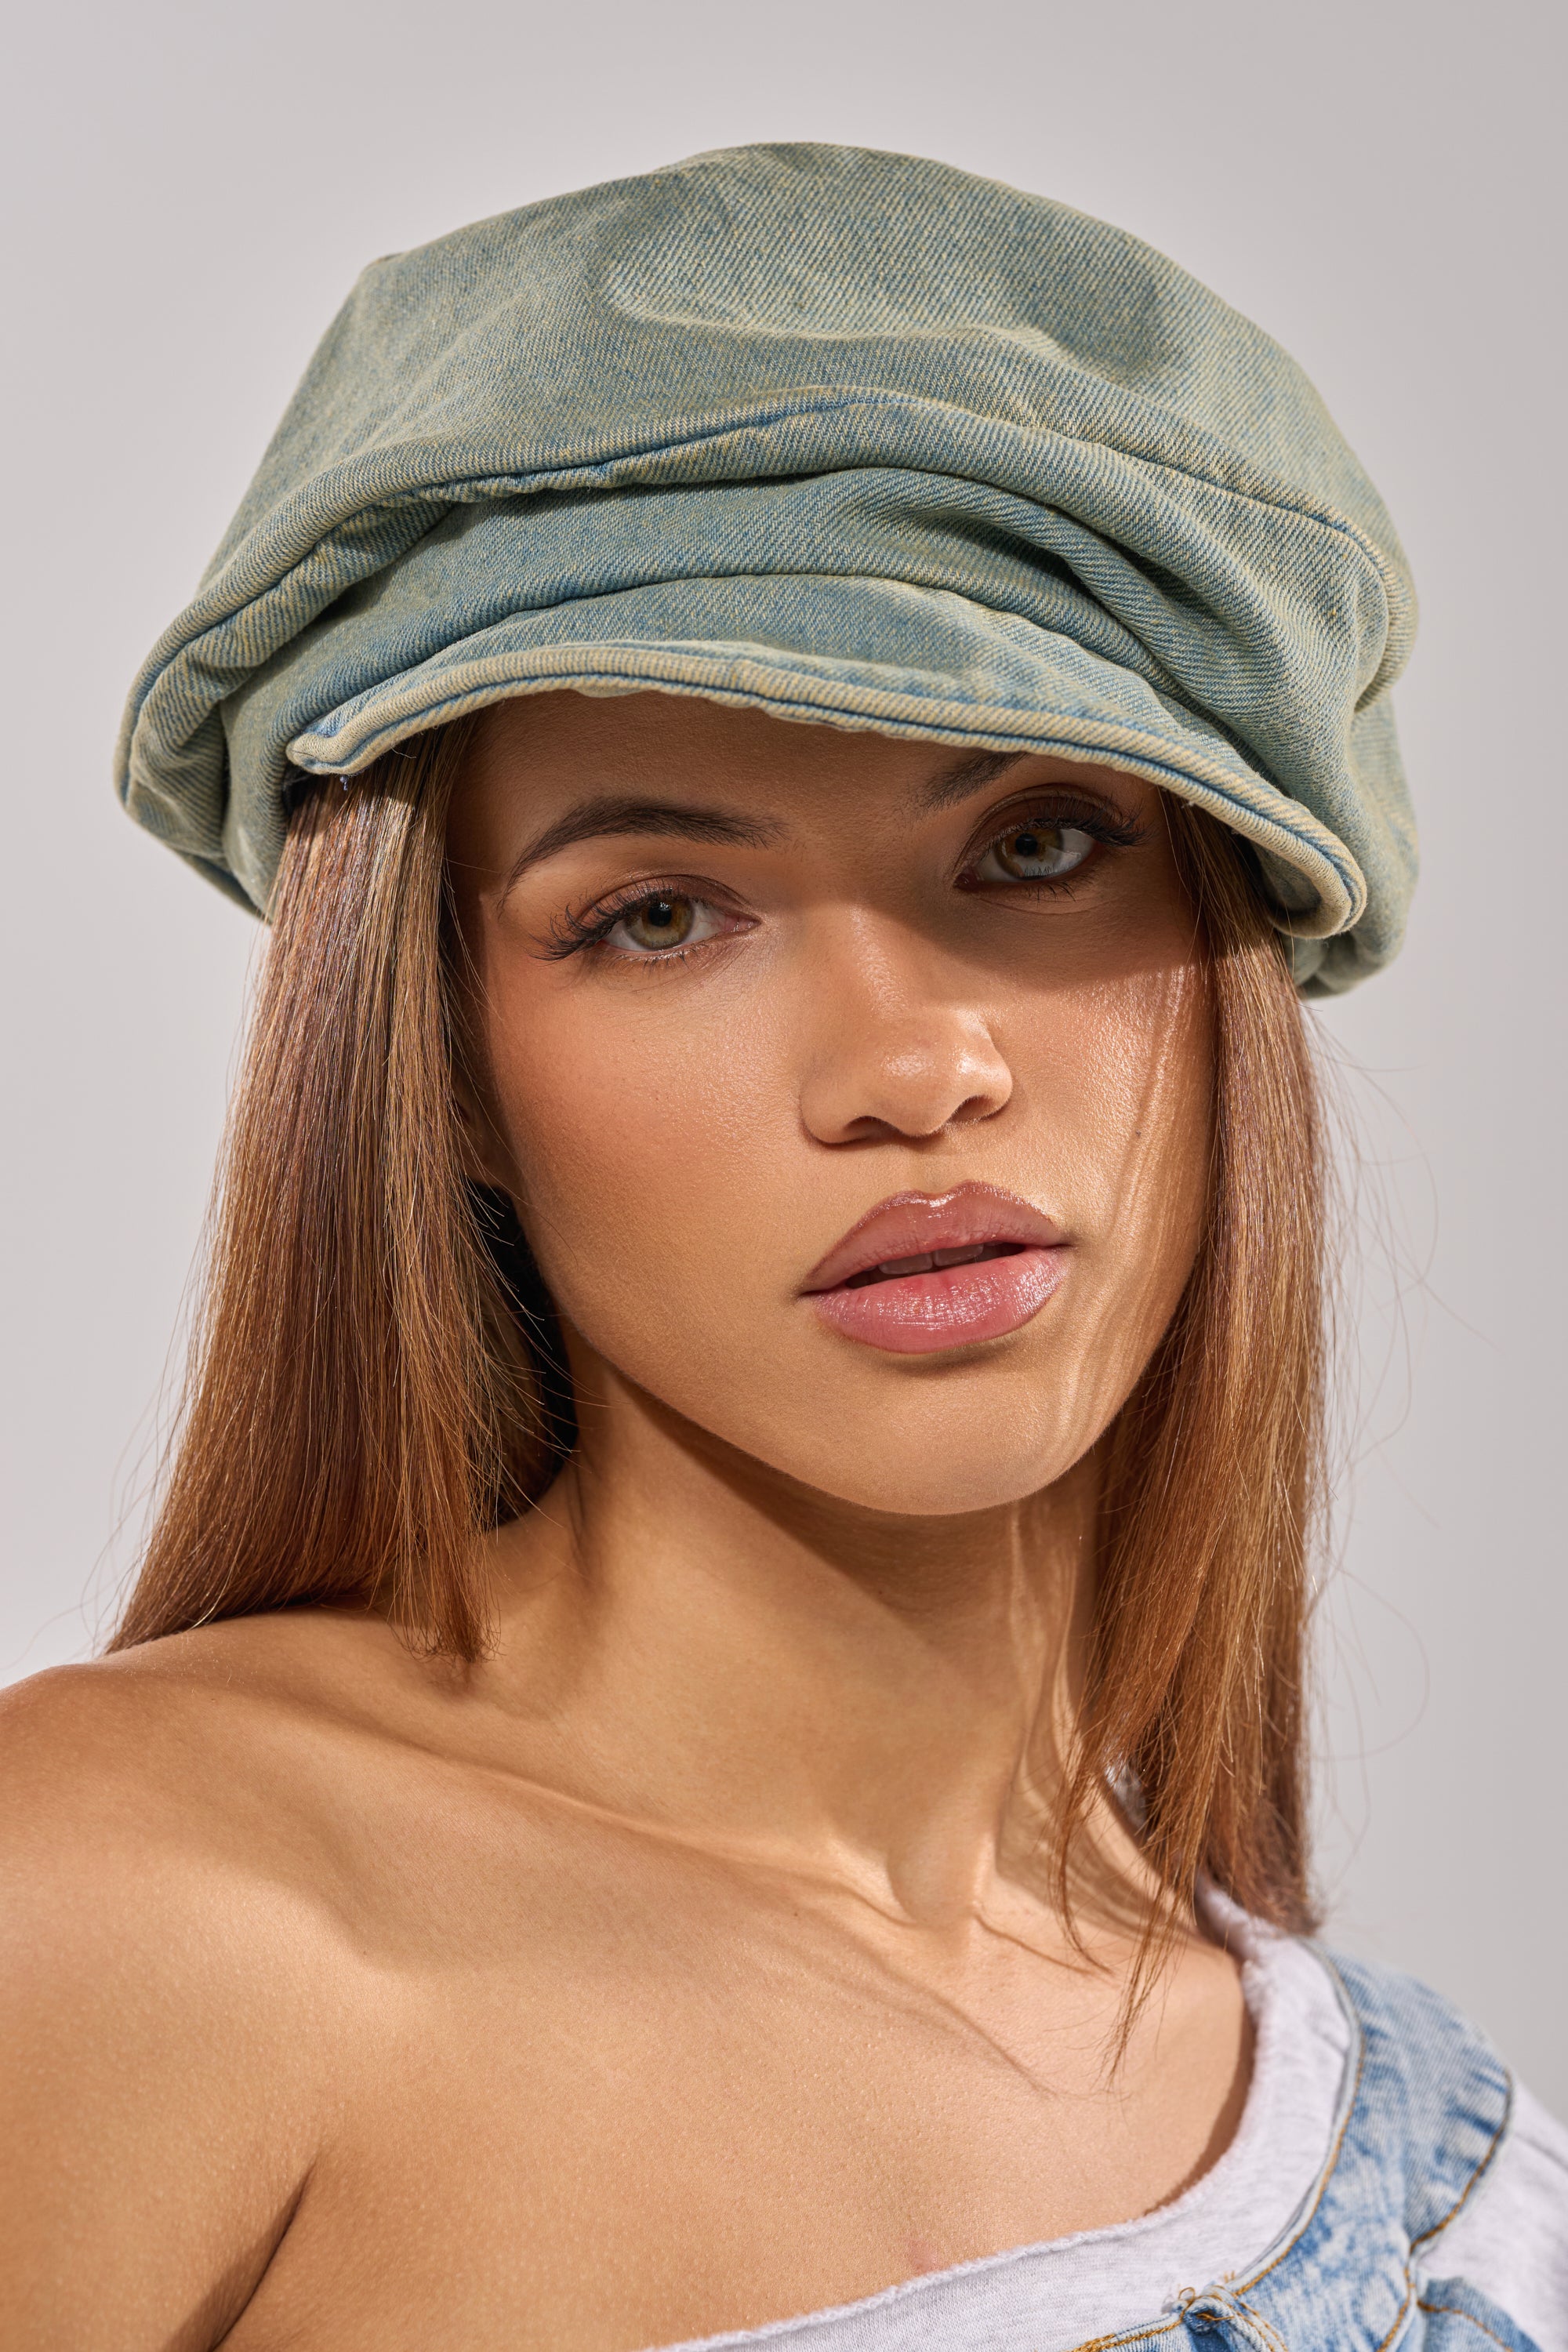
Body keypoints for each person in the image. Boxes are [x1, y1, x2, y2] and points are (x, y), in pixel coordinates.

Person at [1, 145, 1561, 2352]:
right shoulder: (123, 1912)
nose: (913, 1063)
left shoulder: (1456, 2165)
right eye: (660, 912)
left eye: (1038, 842)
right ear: (437, 1061)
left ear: (1238, 931)